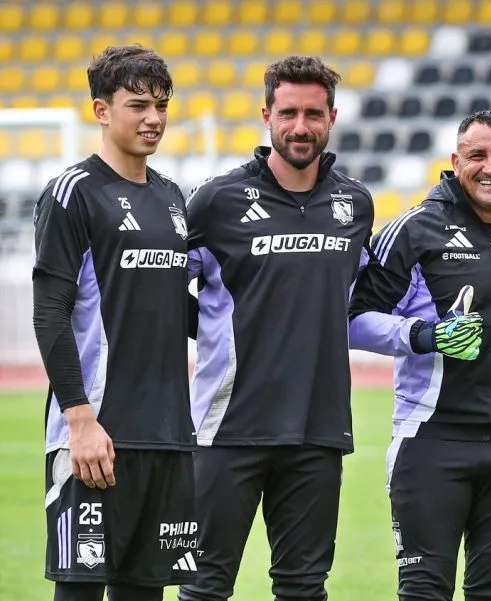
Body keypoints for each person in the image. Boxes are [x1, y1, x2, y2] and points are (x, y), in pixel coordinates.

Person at [348, 110, 491, 601]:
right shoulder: (415, 229)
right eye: (477, 156)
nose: (490, 167)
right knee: (424, 591)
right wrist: (425, 334)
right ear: (455, 161)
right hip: (431, 440)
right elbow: (354, 320)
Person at [178, 56, 374, 601]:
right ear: (267, 114)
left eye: (314, 113)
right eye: (288, 112)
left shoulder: (354, 204)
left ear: (332, 117)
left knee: (304, 588)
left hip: (318, 429)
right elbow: (165, 297)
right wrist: (217, 331)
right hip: (228, 429)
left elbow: (358, 304)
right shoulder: (216, 201)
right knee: (202, 587)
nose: (301, 127)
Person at [32, 45, 197, 601]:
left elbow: (178, 308)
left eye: (161, 104)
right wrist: (80, 421)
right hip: (97, 434)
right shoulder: (74, 193)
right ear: (101, 111)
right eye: (137, 105)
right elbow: (49, 312)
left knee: (145, 593)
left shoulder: (173, 197)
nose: (154, 118)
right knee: (80, 592)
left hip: (168, 436)